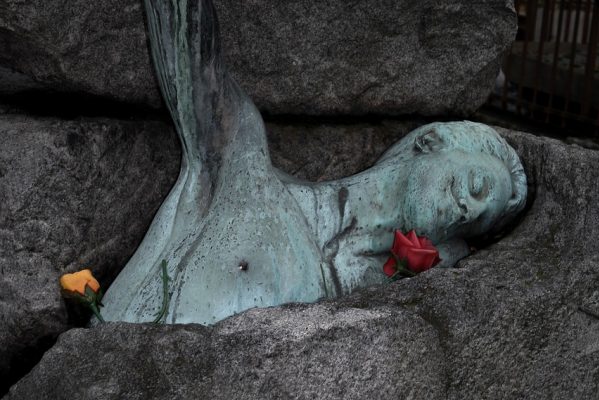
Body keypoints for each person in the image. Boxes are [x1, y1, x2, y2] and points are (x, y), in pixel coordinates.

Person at [99, 0, 526, 325]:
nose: (470, 209)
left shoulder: (368, 291)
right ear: (430, 142)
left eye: (475, 220)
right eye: (477, 186)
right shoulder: (241, 162)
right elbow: (188, 45)